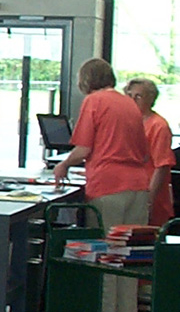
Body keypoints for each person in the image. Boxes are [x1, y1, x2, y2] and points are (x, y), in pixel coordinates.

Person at [53, 58, 152, 229]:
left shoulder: (94, 101)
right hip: (138, 186)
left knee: (106, 242)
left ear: (85, 80)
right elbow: (144, 155)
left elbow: (83, 149)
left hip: (108, 186)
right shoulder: (129, 103)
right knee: (132, 243)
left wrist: (64, 165)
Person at [125, 76, 175, 228]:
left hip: (150, 197)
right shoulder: (128, 123)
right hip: (129, 194)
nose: (133, 100)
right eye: (129, 95)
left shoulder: (159, 126)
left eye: (138, 96)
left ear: (151, 99)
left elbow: (162, 166)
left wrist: (149, 200)